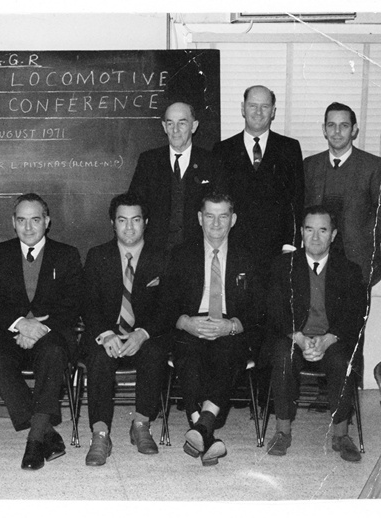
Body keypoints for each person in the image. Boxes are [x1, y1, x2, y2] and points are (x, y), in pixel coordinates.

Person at [161, 193, 263, 466]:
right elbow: (164, 303)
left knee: (229, 352)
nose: (216, 223)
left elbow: (260, 308)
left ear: (233, 220)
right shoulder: (181, 254)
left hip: (230, 326)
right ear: (199, 219)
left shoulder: (249, 256)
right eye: (209, 216)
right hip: (192, 324)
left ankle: (200, 429)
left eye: (223, 216)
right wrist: (186, 322)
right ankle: (206, 431)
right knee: (188, 355)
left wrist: (233, 325)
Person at [0, 193, 83, 470]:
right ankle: (47, 432)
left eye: (35, 220)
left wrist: (40, 328)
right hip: (10, 334)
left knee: (53, 352)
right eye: (22, 220)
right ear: (13, 223)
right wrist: (20, 324)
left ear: (47, 222)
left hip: (50, 334)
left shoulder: (66, 254)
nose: (28, 228)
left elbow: (73, 303)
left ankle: (34, 441)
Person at [265, 207, 366, 462]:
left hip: (331, 339)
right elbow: (274, 310)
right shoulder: (283, 265)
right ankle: (282, 431)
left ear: (333, 235)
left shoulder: (349, 269)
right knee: (282, 355)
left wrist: (329, 338)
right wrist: (297, 337)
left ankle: (341, 435)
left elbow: (355, 315)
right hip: (295, 338)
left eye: (323, 230)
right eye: (309, 229)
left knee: (341, 360)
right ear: (301, 233)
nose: (316, 237)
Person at [81, 193, 169, 466]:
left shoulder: (162, 258)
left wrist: (142, 333)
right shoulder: (97, 256)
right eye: (122, 220)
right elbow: (87, 303)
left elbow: (168, 306)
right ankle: (100, 433)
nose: (129, 228)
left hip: (144, 334)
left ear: (146, 222)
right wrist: (106, 334)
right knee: (98, 358)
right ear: (112, 223)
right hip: (106, 334)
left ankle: (141, 425)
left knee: (154, 353)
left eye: (135, 220)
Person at [212, 85, 304, 275]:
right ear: (242, 109)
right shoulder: (222, 150)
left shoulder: (290, 148)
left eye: (265, 106)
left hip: (277, 253)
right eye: (253, 106)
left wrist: (290, 248)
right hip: (234, 251)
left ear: (273, 111)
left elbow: (297, 202)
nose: (258, 112)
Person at [304, 102, 381, 287]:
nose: (337, 131)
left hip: (357, 260)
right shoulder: (310, 165)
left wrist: (361, 239)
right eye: (331, 125)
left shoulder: (374, 166)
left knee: (353, 314)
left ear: (354, 130)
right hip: (317, 258)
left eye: (344, 126)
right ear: (324, 129)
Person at [128, 101, 214, 267]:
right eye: (170, 123)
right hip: (155, 256)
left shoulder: (211, 162)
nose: (175, 130)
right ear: (164, 126)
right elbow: (134, 205)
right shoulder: (149, 161)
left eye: (182, 123)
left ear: (194, 126)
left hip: (197, 256)